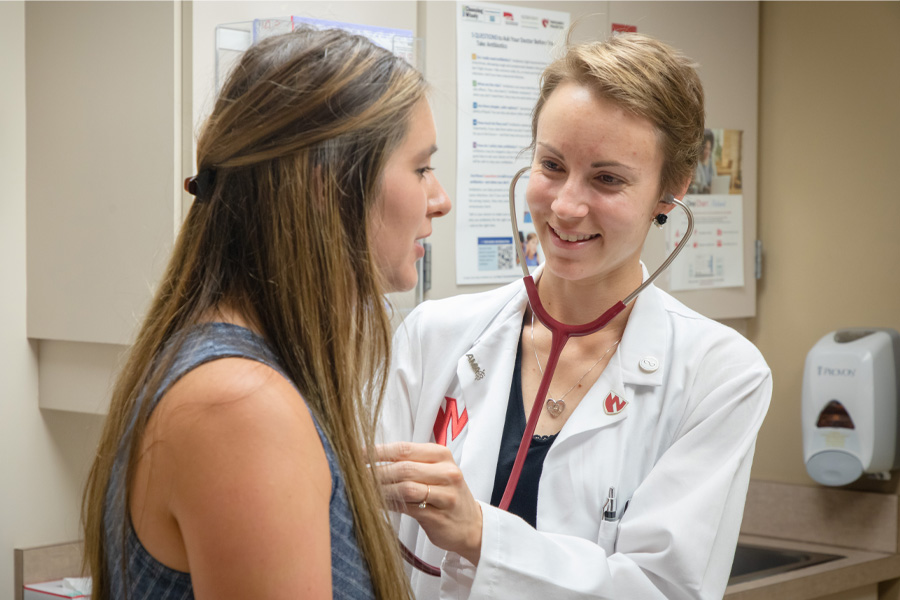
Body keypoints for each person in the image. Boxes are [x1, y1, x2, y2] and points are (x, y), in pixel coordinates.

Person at [376, 33, 770, 599]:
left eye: (608, 179)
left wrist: (481, 535)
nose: (564, 205)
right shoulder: (433, 336)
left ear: (670, 192)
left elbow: (662, 588)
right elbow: (373, 539)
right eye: (552, 165)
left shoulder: (719, 374)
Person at [82, 27, 450, 600]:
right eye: (421, 169)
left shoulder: (230, 370)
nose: (439, 199)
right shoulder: (240, 405)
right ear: (325, 189)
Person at [689, 129, 717, 194]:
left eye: (709, 149)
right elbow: (697, 184)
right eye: (706, 148)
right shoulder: (697, 163)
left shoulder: (711, 163)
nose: (707, 151)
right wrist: (707, 188)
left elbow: (716, 179)